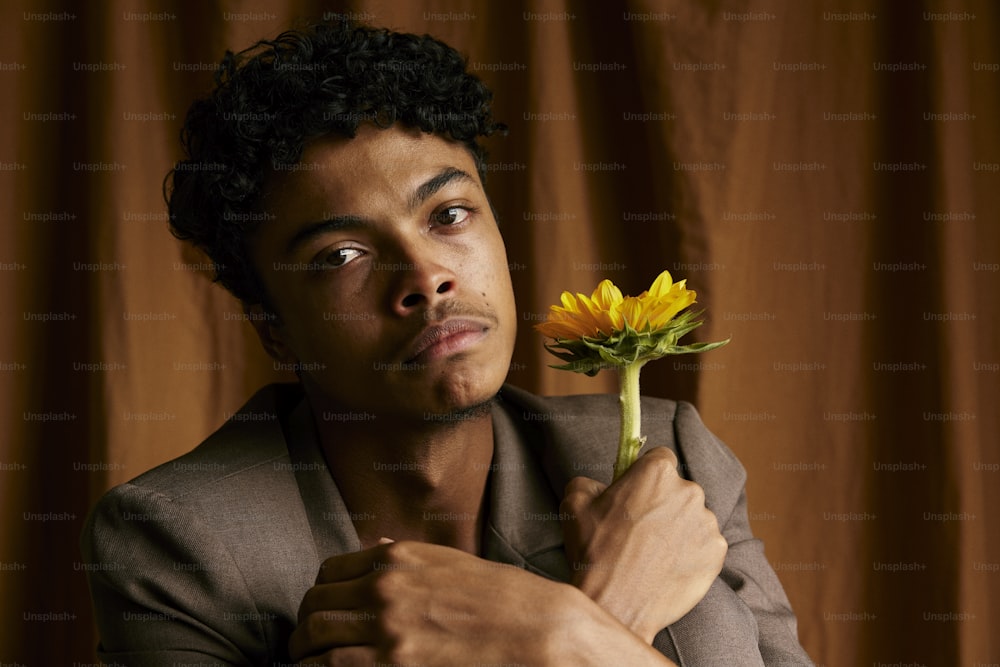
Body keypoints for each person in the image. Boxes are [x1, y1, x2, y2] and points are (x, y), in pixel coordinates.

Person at [81, 19, 813, 666]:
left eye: (449, 215)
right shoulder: (182, 544)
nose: (426, 278)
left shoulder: (665, 460)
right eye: (341, 256)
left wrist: (571, 630)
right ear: (272, 326)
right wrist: (586, 623)